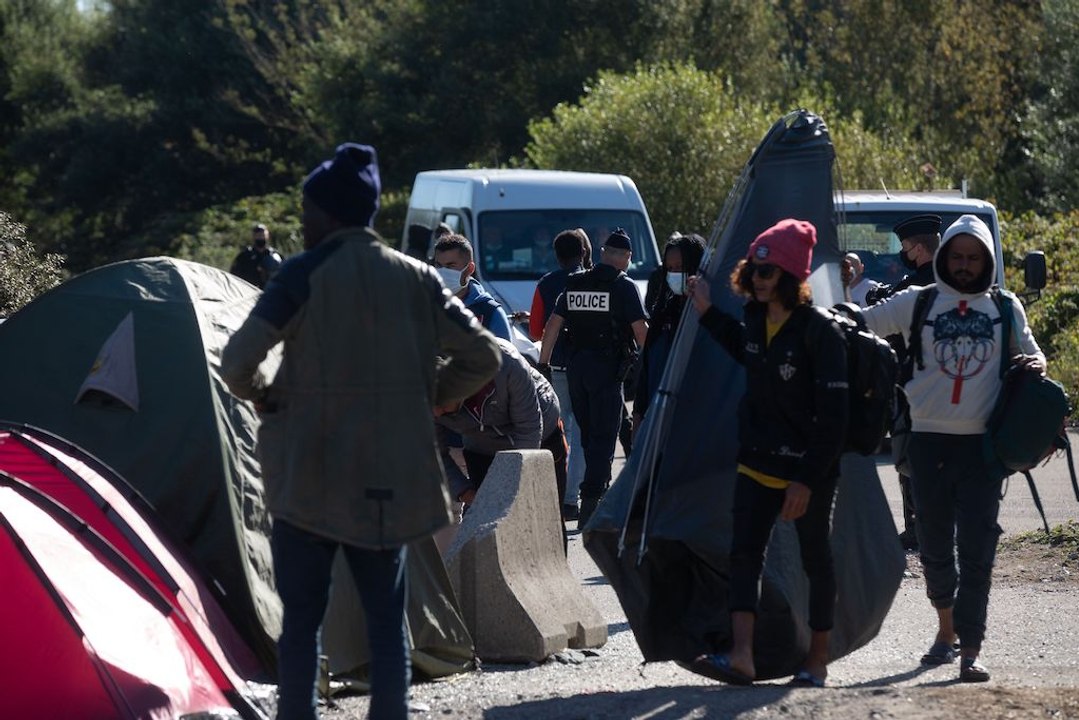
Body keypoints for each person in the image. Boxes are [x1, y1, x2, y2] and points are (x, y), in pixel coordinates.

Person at [220, 142, 501, 720]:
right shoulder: (418, 277)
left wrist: (271, 396)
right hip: (387, 478)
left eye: (307, 210)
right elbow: (484, 355)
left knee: (302, 621)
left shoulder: (300, 274)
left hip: (308, 476)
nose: (302, 221)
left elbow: (237, 362)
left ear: (329, 213)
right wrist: (428, 393)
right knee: (386, 621)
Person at [858, 214, 1045, 683]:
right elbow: (861, 324)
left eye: (973, 258)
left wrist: (1035, 366)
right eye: (957, 256)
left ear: (987, 261)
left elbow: (1034, 353)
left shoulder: (1005, 307)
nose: (964, 265)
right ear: (943, 257)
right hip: (926, 445)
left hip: (983, 450)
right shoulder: (918, 301)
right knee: (936, 549)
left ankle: (971, 650)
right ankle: (946, 631)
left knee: (978, 551)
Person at [687, 219, 849, 688]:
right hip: (757, 461)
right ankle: (742, 657)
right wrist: (706, 311)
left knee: (816, 560)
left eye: (767, 272)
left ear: (791, 276)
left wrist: (805, 480)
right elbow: (746, 350)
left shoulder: (820, 332)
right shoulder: (756, 319)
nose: (757, 280)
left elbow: (834, 420)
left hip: (806, 471)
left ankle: (817, 660)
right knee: (744, 556)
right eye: (753, 271)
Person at [538, 228, 648, 527]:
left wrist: (544, 364)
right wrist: (653, 366)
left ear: (602, 254)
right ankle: (591, 499)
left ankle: (595, 491)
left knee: (587, 435)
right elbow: (640, 332)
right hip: (606, 372)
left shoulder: (575, 282)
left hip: (576, 370)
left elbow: (552, 325)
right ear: (627, 257)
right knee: (604, 436)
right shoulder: (623, 286)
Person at [434, 338, 567, 527]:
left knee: (547, 520)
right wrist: (465, 492)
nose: (437, 413)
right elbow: (434, 455)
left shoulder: (505, 362)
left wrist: (512, 488)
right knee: (490, 525)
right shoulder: (420, 396)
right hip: (482, 447)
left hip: (540, 434)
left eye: (441, 404)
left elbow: (528, 429)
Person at [867, 214, 942, 551]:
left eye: (906, 247)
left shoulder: (910, 289)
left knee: (909, 458)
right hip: (949, 385)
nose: (904, 253)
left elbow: (878, 319)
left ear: (919, 249)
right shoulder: (954, 281)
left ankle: (916, 529)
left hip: (911, 386)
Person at [529, 228, 589, 520]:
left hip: (558, 366)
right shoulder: (594, 281)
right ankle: (571, 497)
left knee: (562, 429)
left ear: (556, 255)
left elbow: (535, 331)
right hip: (591, 366)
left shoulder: (546, 283)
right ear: (583, 252)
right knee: (582, 432)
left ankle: (561, 492)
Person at [633, 233, 706, 432]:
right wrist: (638, 413)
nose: (674, 274)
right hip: (656, 420)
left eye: (680, 267)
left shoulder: (709, 316)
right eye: (670, 269)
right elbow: (647, 368)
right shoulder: (663, 313)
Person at [432, 233, 514, 342]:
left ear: (469, 269)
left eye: (450, 266)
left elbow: (504, 352)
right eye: (438, 266)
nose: (442, 272)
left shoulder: (490, 313)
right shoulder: (424, 305)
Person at [230, 223, 283, 289]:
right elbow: (234, 274)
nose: (260, 237)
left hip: (269, 290)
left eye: (262, 235)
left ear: (267, 236)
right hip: (248, 289)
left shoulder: (274, 255)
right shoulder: (245, 255)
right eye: (258, 235)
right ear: (253, 236)